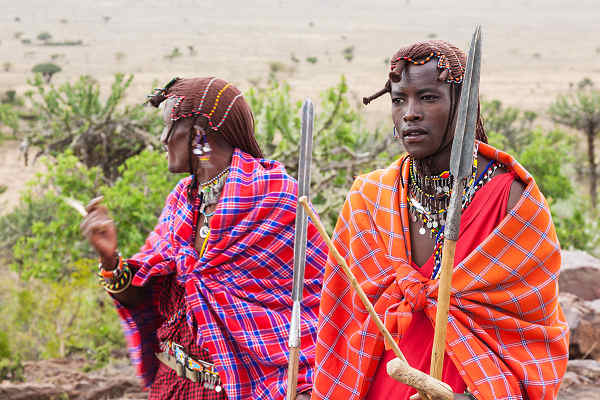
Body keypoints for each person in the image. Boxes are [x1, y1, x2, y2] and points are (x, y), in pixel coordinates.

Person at [310, 41, 569, 400]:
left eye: (428, 98)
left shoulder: (513, 202)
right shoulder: (369, 198)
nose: (410, 113)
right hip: (377, 386)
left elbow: (533, 335)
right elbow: (340, 320)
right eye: (399, 99)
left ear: (462, 106)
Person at [81, 77, 327, 400]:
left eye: (171, 127)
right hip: (173, 387)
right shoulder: (181, 202)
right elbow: (144, 297)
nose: (162, 138)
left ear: (198, 134)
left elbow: (320, 305)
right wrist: (109, 259)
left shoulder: (276, 197)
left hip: (246, 388)